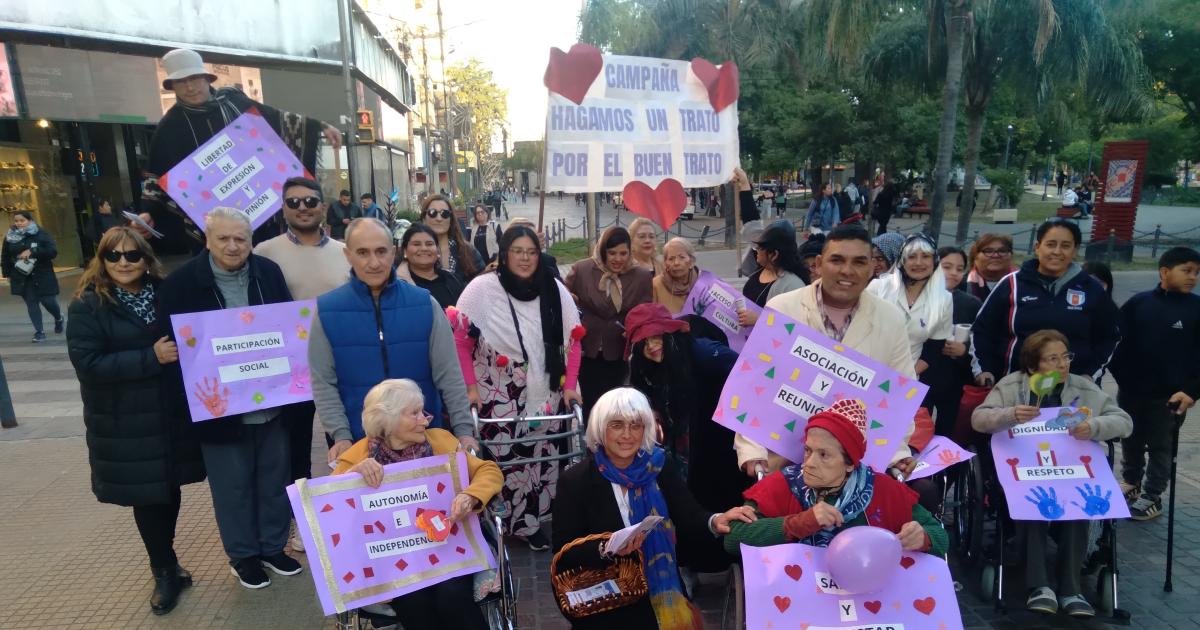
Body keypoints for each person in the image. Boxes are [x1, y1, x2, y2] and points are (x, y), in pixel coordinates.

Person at [158, 207, 301, 589]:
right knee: (232, 485)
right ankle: (243, 556)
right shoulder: (181, 284)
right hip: (218, 408)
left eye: (240, 238)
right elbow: (175, 352)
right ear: (207, 239)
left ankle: (273, 548)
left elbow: (286, 330)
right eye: (224, 238)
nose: (233, 246)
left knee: (274, 478)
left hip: (271, 401)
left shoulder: (267, 274)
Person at [66, 226, 205, 614]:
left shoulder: (165, 293)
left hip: (169, 413)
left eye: (132, 255)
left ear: (146, 258)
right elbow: (88, 364)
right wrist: (150, 358)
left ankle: (169, 559)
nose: (123, 262)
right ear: (102, 259)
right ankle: (163, 570)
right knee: (148, 496)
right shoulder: (87, 304)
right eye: (114, 255)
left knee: (169, 488)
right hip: (126, 420)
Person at [551, 388, 756, 630]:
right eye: (617, 425)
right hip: (604, 603)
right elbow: (564, 551)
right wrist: (606, 547)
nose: (627, 434)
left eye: (635, 425)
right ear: (600, 428)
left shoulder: (659, 466)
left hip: (658, 596)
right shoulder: (576, 481)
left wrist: (715, 520)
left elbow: (688, 514)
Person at [972, 330, 1132, 618]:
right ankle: (1040, 586)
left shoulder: (1083, 388)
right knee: (1035, 501)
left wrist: (1093, 427)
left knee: (1079, 506)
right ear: (1033, 366)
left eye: (1066, 357)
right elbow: (979, 418)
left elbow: (1123, 420)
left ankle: (1071, 589)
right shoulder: (1013, 387)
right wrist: (1009, 416)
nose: (1062, 365)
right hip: (1026, 470)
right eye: (1053, 359)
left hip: (1072, 471)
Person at [735, 224, 916, 475]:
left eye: (859, 262)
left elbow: (900, 393)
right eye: (837, 260)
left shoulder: (891, 319)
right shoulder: (783, 309)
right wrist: (752, 453)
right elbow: (753, 383)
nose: (847, 271)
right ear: (818, 264)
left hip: (858, 459)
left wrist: (896, 453)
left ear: (873, 268)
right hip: (786, 454)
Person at [449, 225, 583, 551]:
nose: (525, 258)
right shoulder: (482, 288)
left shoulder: (553, 288)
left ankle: (531, 523)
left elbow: (574, 339)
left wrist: (571, 386)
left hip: (545, 391)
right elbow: (460, 340)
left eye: (532, 251)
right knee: (506, 463)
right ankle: (500, 521)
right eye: (518, 251)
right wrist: (469, 388)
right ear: (505, 253)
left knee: (541, 460)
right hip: (499, 392)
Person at [333, 379, 501, 630]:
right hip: (395, 559)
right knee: (413, 601)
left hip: (448, 547)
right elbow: (329, 504)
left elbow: (489, 471)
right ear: (387, 420)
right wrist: (354, 475)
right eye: (414, 413)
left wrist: (471, 495)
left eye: (423, 412)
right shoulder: (359, 455)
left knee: (452, 597)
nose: (425, 419)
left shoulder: (441, 441)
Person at [309, 218, 477, 465]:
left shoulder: (424, 304)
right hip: (360, 447)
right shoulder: (327, 311)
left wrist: (463, 430)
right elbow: (323, 382)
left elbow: (449, 374)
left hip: (423, 442)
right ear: (347, 255)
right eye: (363, 253)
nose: (374, 262)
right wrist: (340, 435)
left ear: (394, 251)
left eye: (381, 251)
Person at [141, 48, 339, 249]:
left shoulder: (235, 104)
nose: (190, 87)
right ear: (172, 86)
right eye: (181, 82)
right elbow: (156, 176)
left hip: (266, 213)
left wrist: (318, 126)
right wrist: (148, 211)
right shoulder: (170, 127)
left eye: (194, 78)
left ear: (206, 79)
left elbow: (276, 119)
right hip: (218, 228)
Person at [253, 176, 351, 553]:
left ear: (323, 207)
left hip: (338, 367)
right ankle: (300, 522)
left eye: (310, 201)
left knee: (342, 442)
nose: (303, 207)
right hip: (287, 370)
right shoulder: (264, 252)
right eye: (294, 202)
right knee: (291, 449)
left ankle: (346, 515)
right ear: (284, 209)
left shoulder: (345, 252)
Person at [725, 399, 948, 556]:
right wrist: (801, 523)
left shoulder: (884, 490)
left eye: (824, 455)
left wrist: (924, 537)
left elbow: (939, 536)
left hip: (868, 595)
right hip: (799, 596)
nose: (809, 463)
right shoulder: (783, 485)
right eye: (808, 451)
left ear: (850, 463)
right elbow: (733, 539)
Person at [625, 304, 750, 570]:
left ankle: (726, 564)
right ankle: (689, 563)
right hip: (677, 445)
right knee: (683, 499)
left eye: (657, 336)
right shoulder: (643, 367)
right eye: (644, 341)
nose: (652, 346)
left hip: (715, 443)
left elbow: (747, 373)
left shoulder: (702, 352)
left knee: (715, 497)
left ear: (670, 334)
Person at [971, 219, 1120, 385]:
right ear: (1037, 247)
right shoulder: (1012, 284)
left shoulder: (1091, 288)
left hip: (1074, 389)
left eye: (1065, 246)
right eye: (1050, 244)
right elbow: (981, 330)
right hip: (1015, 387)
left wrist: (1090, 374)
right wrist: (985, 369)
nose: (1057, 251)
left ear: (1075, 250)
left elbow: (1110, 337)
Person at [1110, 247, 1200, 520]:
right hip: (1132, 391)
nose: (1193, 277)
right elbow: (1116, 344)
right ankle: (1131, 482)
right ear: (1164, 271)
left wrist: (1192, 391)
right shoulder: (1139, 303)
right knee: (1131, 438)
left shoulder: (1197, 308)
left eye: (1196, 273)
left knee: (1162, 446)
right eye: (1186, 271)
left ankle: (1153, 494)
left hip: (1171, 397)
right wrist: (1124, 379)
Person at [564, 226, 653, 420]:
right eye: (612, 253)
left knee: (614, 409)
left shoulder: (642, 276)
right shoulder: (582, 269)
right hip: (587, 350)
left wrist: (634, 330)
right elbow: (561, 297)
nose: (617, 259)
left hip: (618, 352)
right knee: (588, 407)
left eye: (623, 253)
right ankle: (589, 445)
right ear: (603, 250)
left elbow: (645, 312)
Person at [868, 234, 952, 377]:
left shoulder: (944, 299)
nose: (918, 263)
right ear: (902, 261)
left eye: (925, 256)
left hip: (905, 379)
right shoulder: (879, 287)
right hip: (865, 370)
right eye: (912, 257)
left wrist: (906, 375)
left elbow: (934, 348)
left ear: (935, 261)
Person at [923, 246, 983, 436]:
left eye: (959, 268)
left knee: (947, 430)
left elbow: (980, 343)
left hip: (954, 380)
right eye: (946, 266)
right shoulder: (918, 297)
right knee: (918, 429)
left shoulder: (970, 303)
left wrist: (963, 351)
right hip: (921, 377)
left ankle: (946, 465)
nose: (953, 273)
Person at [2, 210, 63, 342]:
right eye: (16, 221)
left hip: (42, 274)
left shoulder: (41, 234)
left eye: (22, 221)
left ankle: (58, 318)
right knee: (31, 303)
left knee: (48, 302)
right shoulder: (10, 237)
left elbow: (52, 251)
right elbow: (5, 256)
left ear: (30, 220)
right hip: (22, 276)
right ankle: (39, 332)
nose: (19, 223)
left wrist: (33, 251)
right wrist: (7, 273)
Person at [739, 220, 807, 328]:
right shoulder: (759, 270)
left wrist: (759, 320)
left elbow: (795, 327)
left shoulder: (793, 286)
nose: (756, 250)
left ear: (774, 254)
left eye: (760, 248)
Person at [396, 224, 466, 309]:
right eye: (416, 244)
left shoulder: (454, 280)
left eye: (429, 244)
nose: (424, 248)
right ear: (405, 251)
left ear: (437, 250)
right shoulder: (398, 286)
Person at [420, 194, 482, 282]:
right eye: (432, 213)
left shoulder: (468, 251)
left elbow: (483, 283)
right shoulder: (415, 252)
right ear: (424, 218)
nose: (439, 218)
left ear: (451, 219)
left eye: (444, 214)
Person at [963, 233, 1016, 302]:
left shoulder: (1025, 284)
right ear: (975, 256)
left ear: (1011, 255)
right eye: (988, 251)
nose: (996, 255)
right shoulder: (959, 285)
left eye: (1002, 251)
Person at [652, 237, 699, 314]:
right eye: (671, 259)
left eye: (682, 257)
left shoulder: (702, 283)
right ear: (665, 263)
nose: (676, 262)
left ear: (692, 261)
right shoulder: (655, 285)